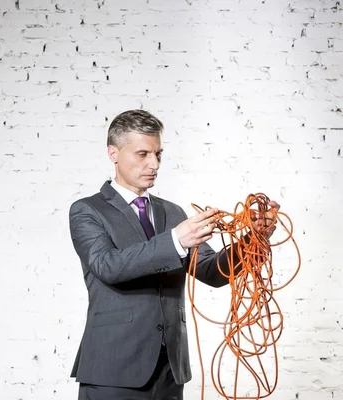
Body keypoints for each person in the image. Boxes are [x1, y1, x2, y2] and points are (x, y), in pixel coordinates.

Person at [69, 109, 278, 400]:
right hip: (113, 369)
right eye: (142, 154)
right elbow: (108, 266)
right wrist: (175, 240)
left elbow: (212, 272)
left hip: (170, 369)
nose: (153, 164)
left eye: (158, 154)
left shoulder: (172, 212)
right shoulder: (88, 210)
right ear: (113, 153)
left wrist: (251, 239)